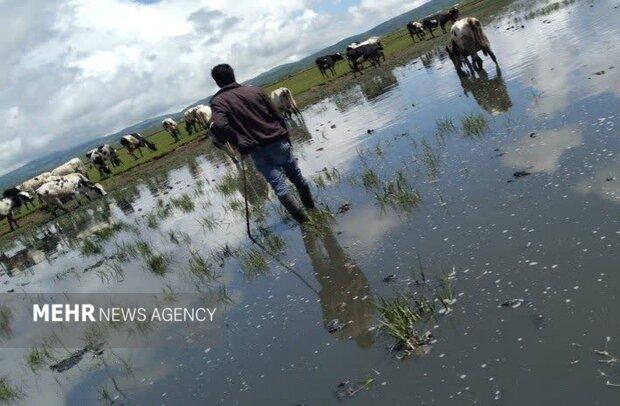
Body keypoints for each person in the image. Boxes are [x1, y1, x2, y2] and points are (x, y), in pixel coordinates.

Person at [209, 64, 315, 223]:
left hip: (257, 150)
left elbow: (220, 126)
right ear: (233, 75)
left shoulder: (218, 102)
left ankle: (306, 222)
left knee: (279, 187)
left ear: (217, 82)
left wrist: (239, 143)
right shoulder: (254, 90)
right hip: (278, 141)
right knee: (297, 178)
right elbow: (276, 114)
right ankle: (312, 209)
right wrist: (285, 134)